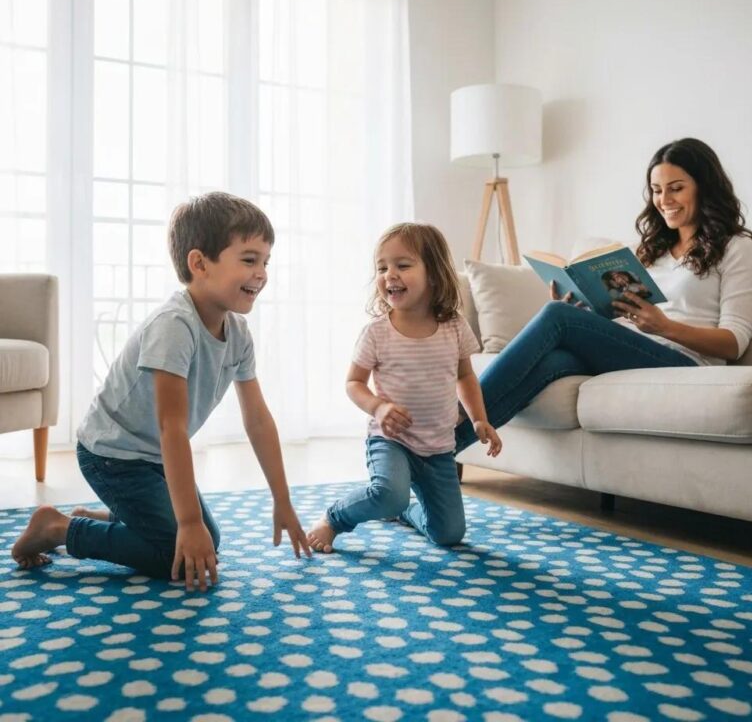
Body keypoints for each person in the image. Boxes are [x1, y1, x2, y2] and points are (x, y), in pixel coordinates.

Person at [12, 192, 311, 589]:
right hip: (112, 455)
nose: (262, 273)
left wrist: (283, 500)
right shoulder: (174, 326)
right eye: (249, 259)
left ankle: (109, 519)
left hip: (154, 456)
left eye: (266, 262)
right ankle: (58, 528)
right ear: (200, 263)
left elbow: (257, 420)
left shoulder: (238, 333)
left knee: (209, 541)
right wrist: (187, 523)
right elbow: (172, 426)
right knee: (175, 548)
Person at [453, 137, 752, 455]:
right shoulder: (650, 250)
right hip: (633, 350)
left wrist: (664, 327)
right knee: (552, 361)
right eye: (657, 190)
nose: (664, 199)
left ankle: (452, 418)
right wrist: (580, 303)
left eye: (676, 188)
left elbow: (735, 342)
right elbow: (618, 314)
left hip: (686, 361)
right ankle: (440, 453)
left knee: (555, 316)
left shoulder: (737, 249)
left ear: (704, 187)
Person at [307, 223, 502, 553]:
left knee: (449, 534)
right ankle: (334, 518)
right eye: (382, 267)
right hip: (390, 441)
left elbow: (465, 377)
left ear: (434, 273)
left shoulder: (454, 326)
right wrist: (378, 407)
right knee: (387, 493)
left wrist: (479, 418)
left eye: (403, 265)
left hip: (438, 447)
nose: (389, 275)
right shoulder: (377, 333)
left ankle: (406, 513)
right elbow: (353, 382)